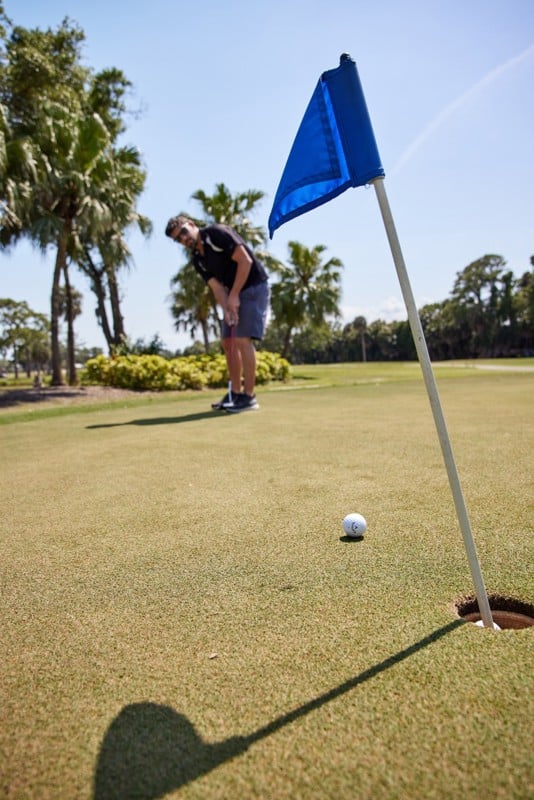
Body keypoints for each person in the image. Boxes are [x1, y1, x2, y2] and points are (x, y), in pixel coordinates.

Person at [165, 214, 270, 412]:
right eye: (178, 239)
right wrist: (227, 308)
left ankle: (249, 397)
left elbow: (245, 261)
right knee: (228, 342)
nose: (184, 239)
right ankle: (235, 394)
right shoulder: (198, 259)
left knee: (242, 340)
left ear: (192, 225)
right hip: (234, 293)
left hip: (254, 286)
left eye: (184, 232)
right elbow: (217, 288)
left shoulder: (216, 234)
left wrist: (234, 296)